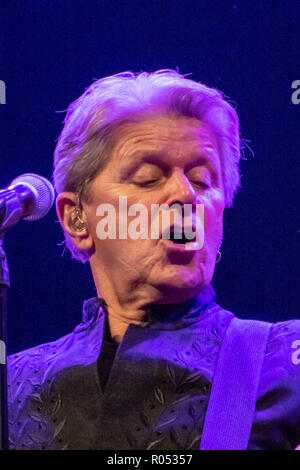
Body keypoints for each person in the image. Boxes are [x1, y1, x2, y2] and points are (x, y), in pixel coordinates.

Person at [7, 70, 300, 450]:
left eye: (201, 179)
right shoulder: (11, 385)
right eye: (148, 178)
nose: (184, 194)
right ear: (78, 219)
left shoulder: (284, 362)